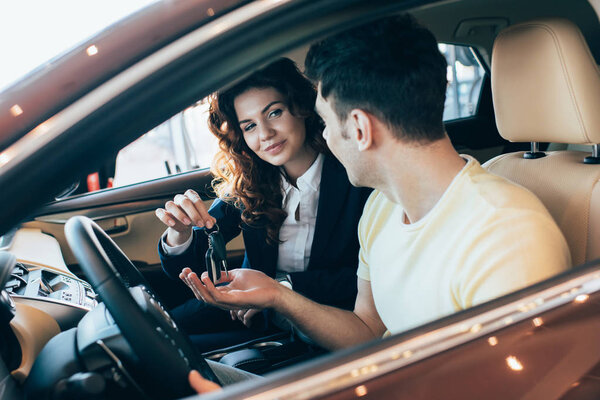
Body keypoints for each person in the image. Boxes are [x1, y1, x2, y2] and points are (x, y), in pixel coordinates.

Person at [183, 14, 571, 389]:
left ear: (359, 128)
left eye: (327, 123)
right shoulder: (382, 210)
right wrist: (279, 297)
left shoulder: (506, 234)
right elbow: (368, 333)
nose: (328, 139)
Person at [155, 58, 371, 352]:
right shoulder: (252, 182)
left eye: (275, 112)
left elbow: (362, 275)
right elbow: (189, 263)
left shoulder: (355, 177)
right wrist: (179, 233)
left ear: (302, 108)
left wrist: (282, 287)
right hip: (250, 318)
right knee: (155, 337)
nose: (265, 134)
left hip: (329, 326)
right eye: (250, 126)